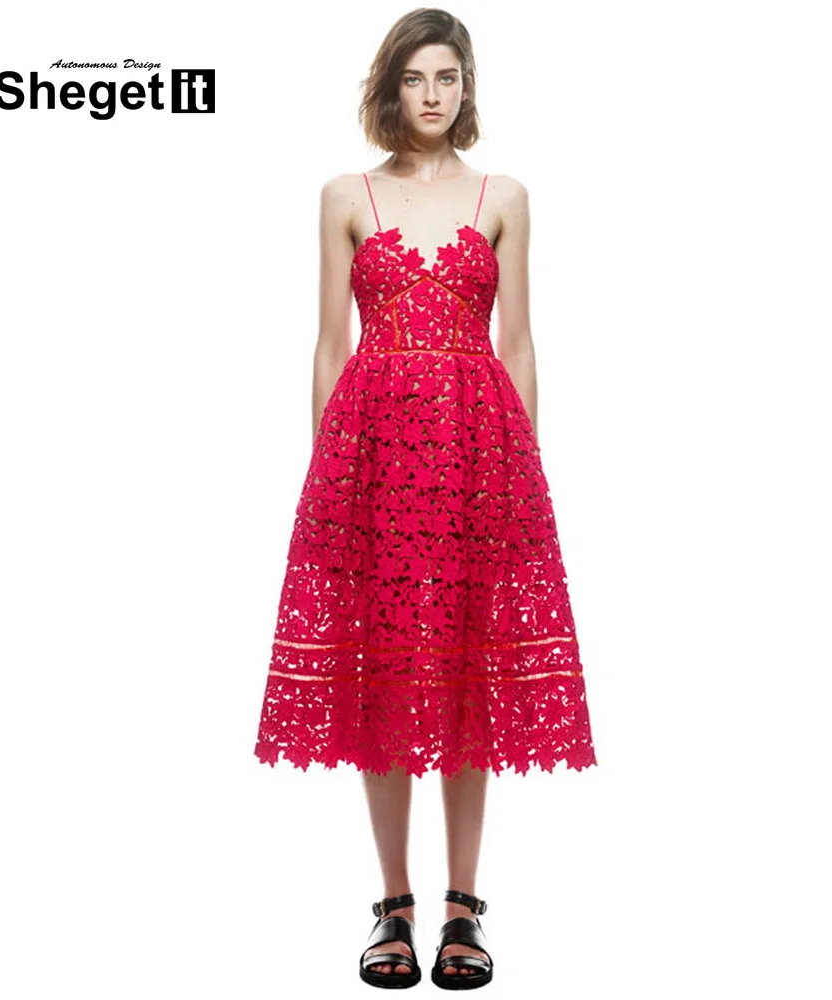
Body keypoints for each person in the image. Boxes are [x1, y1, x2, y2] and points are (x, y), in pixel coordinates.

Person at [253, 8, 597, 990]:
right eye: (416, 78)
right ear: (391, 88)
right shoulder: (345, 195)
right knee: (383, 677)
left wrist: (525, 473)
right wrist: (325, 476)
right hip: (371, 463)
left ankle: (464, 910)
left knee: (466, 676)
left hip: (478, 459)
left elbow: (518, 342)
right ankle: (393, 908)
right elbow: (329, 344)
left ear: (466, 86)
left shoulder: (504, 196)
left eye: (448, 77)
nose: (433, 94)